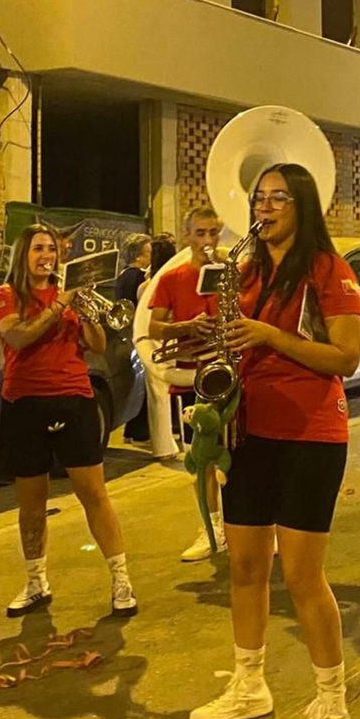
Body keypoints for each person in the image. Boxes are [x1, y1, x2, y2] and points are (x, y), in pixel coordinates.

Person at [187, 163, 360, 719]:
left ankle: (332, 700)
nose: (264, 208)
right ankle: (249, 686)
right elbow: (237, 341)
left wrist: (268, 336)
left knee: (303, 575)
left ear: (303, 205)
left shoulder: (328, 270)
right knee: (243, 566)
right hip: (250, 429)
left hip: (311, 433)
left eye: (278, 198)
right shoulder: (244, 270)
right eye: (259, 198)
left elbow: (346, 359)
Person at [0, 223, 137, 619]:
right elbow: (18, 337)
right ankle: (36, 581)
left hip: (73, 400)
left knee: (95, 495)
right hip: (24, 404)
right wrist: (59, 305)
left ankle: (121, 579)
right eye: (38, 249)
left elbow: (99, 346)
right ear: (23, 255)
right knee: (32, 504)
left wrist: (85, 311)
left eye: (52, 250)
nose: (46, 257)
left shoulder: (71, 295)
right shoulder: (5, 296)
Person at [147, 206, 224, 561]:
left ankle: (253, 526)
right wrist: (186, 326)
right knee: (202, 458)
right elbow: (154, 328)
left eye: (213, 233)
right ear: (187, 235)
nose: (208, 241)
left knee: (243, 454)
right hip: (194, 371)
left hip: (229, 368)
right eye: (201, 233)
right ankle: (212, 530)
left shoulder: (230, 272)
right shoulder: (172, 278)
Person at [115, 233, 153, 303]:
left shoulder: (122, 275)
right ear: (137, 256)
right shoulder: (141, 277)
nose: (152, 256)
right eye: (149, 252)